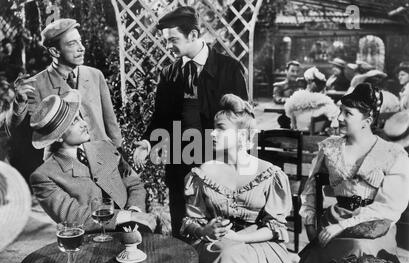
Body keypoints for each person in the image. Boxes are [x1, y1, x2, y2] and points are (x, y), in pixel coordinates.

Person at [132, 6, 248, 237]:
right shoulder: (169, 73)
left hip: (218, 164)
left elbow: (242, 121)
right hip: (179, 163)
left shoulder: (229, 69)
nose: (168, 46)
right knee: (182, 226)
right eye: (166, 41)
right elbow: (160, 118)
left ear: (193, 35)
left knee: (218, 229)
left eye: (173, 39)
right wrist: (146, 143)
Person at [181, 94, 295, 263]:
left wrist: (239, 238)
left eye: (221, 128)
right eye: (213, 127)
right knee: (228, 257)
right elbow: (190, 222)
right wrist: (205, 229)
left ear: (242, 136)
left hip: (259, 245)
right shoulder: (203, 173)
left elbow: (275, 227)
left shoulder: (270, 173)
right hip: (213, 245)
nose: (213, 133)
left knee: (232, 257)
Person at [297, 83, 409, 263]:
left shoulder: (393, 153)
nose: (339, 118)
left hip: (374, 228)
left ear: (368, 119)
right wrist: (309, 222)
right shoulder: (330, 148)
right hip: (332, 222)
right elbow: (310, 188)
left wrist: (343, 226)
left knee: (358, 253)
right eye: (340, 111)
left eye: (347, 113)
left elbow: (390, 207)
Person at [5, 18, 126, 184]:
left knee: (109, 209)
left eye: (81, 42)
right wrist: (19, 102)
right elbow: (18, 129)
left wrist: (119, 153)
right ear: (55, 52)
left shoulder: (95, 75)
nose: (81, 48)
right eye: (72, 44)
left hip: (103, 163)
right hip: (66, 173)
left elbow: (110, 122)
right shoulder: (35, 85)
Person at [30, 90, 153, 233]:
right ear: (58, 137)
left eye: (80, 117)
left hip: (135, 232)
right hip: (91, 245)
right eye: (73, 122)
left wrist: (135, 210)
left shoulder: (105, 146)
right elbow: (74, 216)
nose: (83, 123)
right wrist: (129, 216)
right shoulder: (44, 176)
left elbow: (134, 183)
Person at [284, 67, 339, 132]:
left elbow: (292, 124)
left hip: (298, 136)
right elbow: (335, 122)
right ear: (309, 81)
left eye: (322, 84)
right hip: (316, 137)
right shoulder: (325, 102)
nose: (321, 86)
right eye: (318, 83)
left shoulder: (294, 100)